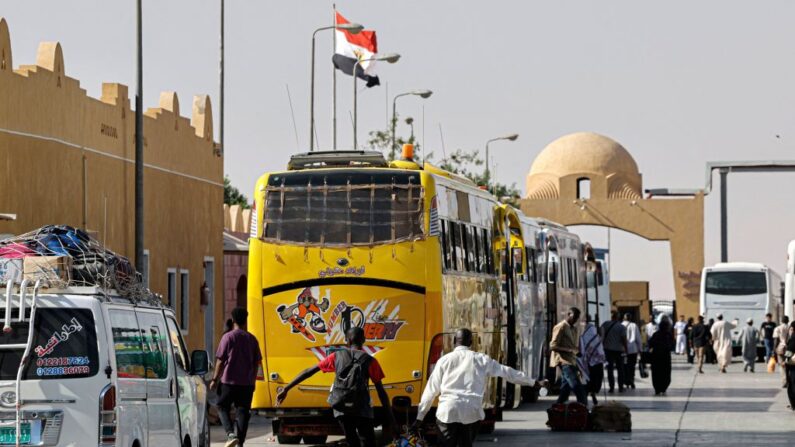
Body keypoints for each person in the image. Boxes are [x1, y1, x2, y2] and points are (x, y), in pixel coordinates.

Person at [412, 328, 546, 447]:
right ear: (471, 343)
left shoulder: (444, 361)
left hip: (448, 411)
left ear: (454, 341)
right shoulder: (481, 360)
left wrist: (420, 417)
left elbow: (430, 391)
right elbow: (508, 373)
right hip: (472, 411)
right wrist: (533, 382)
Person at [276, 327, 397, 447]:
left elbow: (309, 371)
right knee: (368, 441)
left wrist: (286, 388)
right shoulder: (371, 361)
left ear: (347, 341)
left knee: (352, 440)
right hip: (362, 409)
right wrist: (392, 421)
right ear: (363, 340)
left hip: (341, 408)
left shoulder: (336, 357)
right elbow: (381, 392)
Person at [210, 308, 264, 447]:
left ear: (233, 320)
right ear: (246, 321)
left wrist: (214, 379)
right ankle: (240, 442)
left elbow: (220, 361)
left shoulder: (227, 337)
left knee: (221, 406)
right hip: (246, 383)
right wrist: (252, 381)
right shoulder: (252, 339)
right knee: (243, 411)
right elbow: (257, 363)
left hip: (228, 381)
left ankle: (230, 434)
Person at [550, 307, 588, 405]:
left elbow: (573, 346)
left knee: (565, 390)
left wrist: (577, 352)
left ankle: (556, 408)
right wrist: (569, 350)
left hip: (572, 360)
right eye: (574, 317)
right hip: (564, 361)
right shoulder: (561, 326)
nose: (575, 320)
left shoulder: (574, 329)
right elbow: (553, 346)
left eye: (577, 318)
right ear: (568, 314)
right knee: (577, 387)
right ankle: (584, 407)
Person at [577, 317, 606, 405]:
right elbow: (600, 341)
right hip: (597, 359)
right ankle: (592, 394)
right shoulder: (594, 329)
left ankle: (586, 397)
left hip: (585, 360)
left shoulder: (580, 331)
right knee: (595, 379)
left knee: (587, 379)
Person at [600, 310, 628, 393]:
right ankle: (620, 387)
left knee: (610, 369)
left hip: (608, 350)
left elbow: (600, 335)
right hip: (619, 351)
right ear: (618, 317)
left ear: (611, 316)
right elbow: (624, 339)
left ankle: (611, 387)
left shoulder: (605, 324)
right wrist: (626, 349)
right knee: (620, 369)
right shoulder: (621, 327)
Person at [648, 317, 675, 395]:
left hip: (656, 357)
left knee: (656, 373)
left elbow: (650, 344)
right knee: (666, 373)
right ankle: (663, 387)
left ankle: (657, 388)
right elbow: (672, 345)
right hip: (665, 357)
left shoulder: (656, 334)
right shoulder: (668, 335)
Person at [622, 313, 642, 389]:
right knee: (632, 366)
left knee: (624, 366)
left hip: (623, 350)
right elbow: (638, 338)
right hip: (633, 350)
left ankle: (625, 381)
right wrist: (640, 349)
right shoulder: (634, 325)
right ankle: (631, 381)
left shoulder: (621, 325)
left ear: (624, 318)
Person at [775, 316, 791, 388]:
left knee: (782, 365)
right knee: (789, 364)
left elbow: (776, 340)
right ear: (788, 321)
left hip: (781, 348)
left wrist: (774, 349)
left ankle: (784, 381)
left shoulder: (778, 328)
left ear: (781, 320)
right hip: (789, 348)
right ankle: (789, 380)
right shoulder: (791, 328)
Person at [784, 322, 795, 410]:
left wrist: (786, 359)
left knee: (792, 386)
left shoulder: (793, 339)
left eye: (791, 329)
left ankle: (794, 405)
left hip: (793, 367)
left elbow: (789, 353)